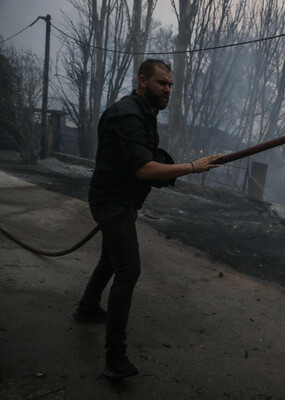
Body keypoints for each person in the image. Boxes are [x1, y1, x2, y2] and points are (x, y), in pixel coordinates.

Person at [73, 59, 222, 380]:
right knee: (128, 269)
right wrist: (192, 167)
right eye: (161, 83)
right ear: (143, 81)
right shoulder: (128, 115)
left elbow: (144, 162)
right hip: (111, 202)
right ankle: (115, 358)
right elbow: (144, 168)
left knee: (112, 260)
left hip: (121, 200)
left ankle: (87, 307)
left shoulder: (144, 113)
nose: (168, 89)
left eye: (170, 84)